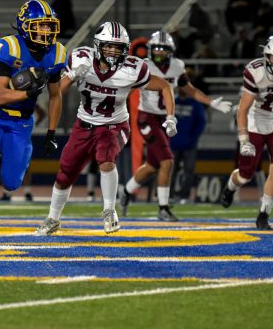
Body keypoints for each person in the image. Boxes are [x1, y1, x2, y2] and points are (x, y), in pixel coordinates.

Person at [33, 21, 176, 236]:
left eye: (118, 47)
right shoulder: (81, 59)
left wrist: (171, 117)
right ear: (98, 45)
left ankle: (109, 211)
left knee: (106, 159)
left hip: (114, 125)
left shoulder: (132, 69)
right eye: (108, 46)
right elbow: (56, 94)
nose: (113, 51)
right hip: (84, 124)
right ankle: (53, 219)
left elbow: (164, 86)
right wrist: (71, 76)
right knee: (65, 174)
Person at [0, 0, 66, 246]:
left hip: (21, 122)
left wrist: (51, 133)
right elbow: (0, 94)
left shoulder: (57, 53)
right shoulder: (10, 47)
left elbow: (56, 95)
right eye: (40, 26)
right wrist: (29, 93)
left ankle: (1, 156)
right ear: (25, 26)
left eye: (49, 26)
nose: (46, 31)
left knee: (11, 183)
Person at [121, 31, 232, 221]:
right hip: (147, 118)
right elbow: (126, 91)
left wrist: (211, 102)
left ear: (171, 51)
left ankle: (126, 192)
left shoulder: (176, 66)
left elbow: (189, 90)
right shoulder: (144, 66)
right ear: (150, 50)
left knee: (152, 165)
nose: (161, 53)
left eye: (164, 50)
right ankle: (163, 207)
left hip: (165, 119)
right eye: (157, 49)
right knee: (167, 161)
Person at [220, 33, 273, 230]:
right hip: (255, 122)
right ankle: (231, 186)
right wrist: (244, 140)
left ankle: (264, 214)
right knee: (245, 175)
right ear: (266, 54)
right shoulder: (255, 71)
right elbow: (242, 109)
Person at [170, 82, 207, 203]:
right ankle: (169, 195)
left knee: (189, 171)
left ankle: (184, 196)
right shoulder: (172, 101)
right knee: (171, 170)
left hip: (189, 145)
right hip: (173, 143)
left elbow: (201, 123)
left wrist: (192, 138)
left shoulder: (195, 104)